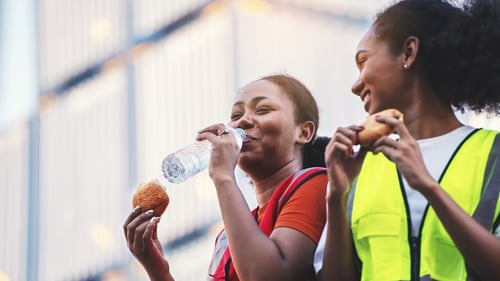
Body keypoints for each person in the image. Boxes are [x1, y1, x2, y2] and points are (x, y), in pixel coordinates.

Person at [313, 0, 500, 280]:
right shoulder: (356, 168)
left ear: (409, 52)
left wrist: (428, 186)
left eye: (363, 61)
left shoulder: (492, 153)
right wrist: (336, 197)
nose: (355, 85)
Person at [124, 74, 329, 281]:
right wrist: (158, 270)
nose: (243, 121)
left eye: (263, 110)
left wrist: (223, 175)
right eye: (236, 114)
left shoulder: (316, 184)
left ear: (303, 132)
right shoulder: (227, 239)